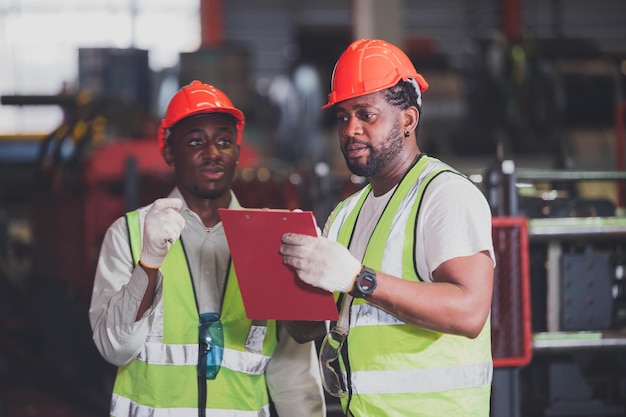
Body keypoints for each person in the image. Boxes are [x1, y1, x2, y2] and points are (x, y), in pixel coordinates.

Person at [279, 39, 496, 416]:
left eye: (366, 114)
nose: (351, 130)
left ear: (408, 120)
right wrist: (281, 272)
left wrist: (359, 279)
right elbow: (309, 330)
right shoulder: (346, 214)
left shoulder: (443, 195)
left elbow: (469, 311)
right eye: (343, 117)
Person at [89, 80, 326, 417]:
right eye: (196, 141)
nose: (213, 152)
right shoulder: (129, 234)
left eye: (224, 141)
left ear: (238, 153)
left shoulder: (271, 237)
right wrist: (149, 264)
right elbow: (115, 348)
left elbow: (293, 371)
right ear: (170, 152)